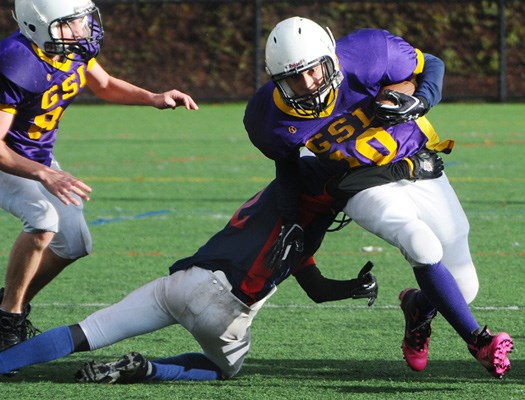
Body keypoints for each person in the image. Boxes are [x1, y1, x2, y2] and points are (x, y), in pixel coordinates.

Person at [0, 151, 443, 382]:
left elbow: (314, 286)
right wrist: (408, 168)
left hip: (179, 284)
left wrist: (351, 286)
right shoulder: (311, 198)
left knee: (85, 332)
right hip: (222, 309)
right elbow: (346, 183)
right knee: (223, 370)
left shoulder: (283, 210)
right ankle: (150, 370)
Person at [243, 16, 513, 378]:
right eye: (294, 77)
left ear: (330, 57)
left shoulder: (369, 53)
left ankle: (417, 309)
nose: (307, 85)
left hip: (415, 161)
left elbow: (431, 64)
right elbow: (287, 165)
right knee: (418, 242)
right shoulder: (269, 116)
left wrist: (420, 101)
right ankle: (479, 341)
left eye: (313, 71)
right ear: (276, 79)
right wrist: (292, 219)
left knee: (465, 288)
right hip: (357, 181)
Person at [0, 0, 199, 351]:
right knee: (44, 221)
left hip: (38, 160)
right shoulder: (16, 61)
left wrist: (153, 97)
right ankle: (8, 321)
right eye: (70, 23)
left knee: (76, 244)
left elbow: (104, 84)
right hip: (11, 162)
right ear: (37, 26)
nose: (81, 29)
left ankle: (6, 305)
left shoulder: (67, 48)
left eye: (82, 20)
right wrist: (45, 174)